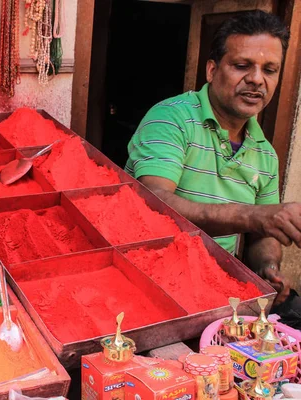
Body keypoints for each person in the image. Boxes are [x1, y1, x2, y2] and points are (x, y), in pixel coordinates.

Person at [125, 10, 299, 317]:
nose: (257, 79)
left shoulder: (266, 154)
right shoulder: (172, 118)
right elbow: (154, 201)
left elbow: (263, 235)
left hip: (215, 292)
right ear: (211, 70)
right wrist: (255, 217)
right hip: (146, 283)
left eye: (270, 70)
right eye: (242, 65)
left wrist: (268, 268)